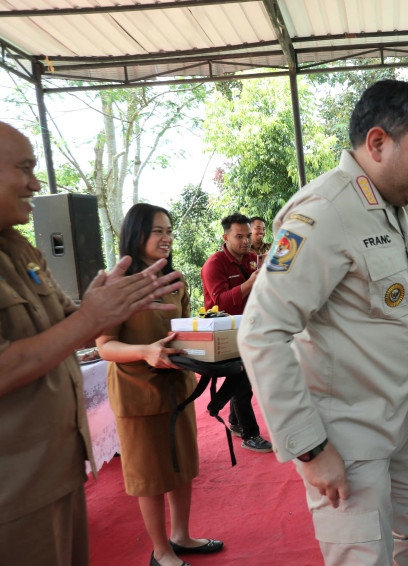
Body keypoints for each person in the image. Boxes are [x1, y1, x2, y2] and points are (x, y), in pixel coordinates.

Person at [237, 79, 408, 566]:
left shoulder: (396, 206)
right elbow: (261, 331)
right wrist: (311, 450)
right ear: (378, 143)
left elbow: (401, 304)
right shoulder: (323, 214)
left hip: (389, 416)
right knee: (363, 554)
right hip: (345, 433)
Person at [0, 122, 183, 566]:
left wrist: (102, 307)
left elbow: (68, 326)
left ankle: (181, 538)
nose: (35, 184)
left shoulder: (21, 250)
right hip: (13, 485)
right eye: (24, 169)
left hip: (58, 467)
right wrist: (97, 319)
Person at [96, 204, 224, 566]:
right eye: (158, 231)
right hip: (137, 394)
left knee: (182, 465)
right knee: (149, 477)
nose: (167, 238)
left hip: (177, 389)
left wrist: (211, 344)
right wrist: (145, 352)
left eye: (169, 230)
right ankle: (161, 551)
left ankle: (181, 536)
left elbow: (180, 332)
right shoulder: (116, 286)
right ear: (136, 234)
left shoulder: (176, 280)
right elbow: (104, 345)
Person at [200, 214, 272, 452]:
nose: (244, 241)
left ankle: (234, 422)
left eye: (247, 236)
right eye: (238, 237)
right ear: (226, 237)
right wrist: (250, 283)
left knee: (243, 378)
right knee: (242, 383)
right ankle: (250, 434)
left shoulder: (254, 259)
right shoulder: (214, 265)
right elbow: (219, 303)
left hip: (250, 329)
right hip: (225, 333)